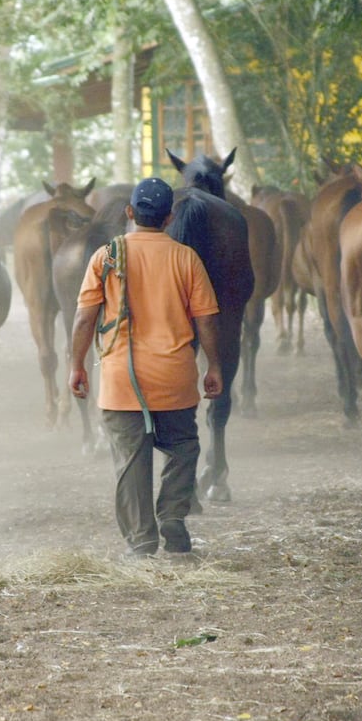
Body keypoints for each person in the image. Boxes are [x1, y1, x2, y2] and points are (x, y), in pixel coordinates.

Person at [68, 177, 222, 557]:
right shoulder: (186, 258)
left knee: (131, 462)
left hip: (121, 382)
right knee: (184, 448)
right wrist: (213, 366)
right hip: (176, 379)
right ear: (169, 218)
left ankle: (141, 541)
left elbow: (84, 320)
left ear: (130, 213)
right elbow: (206, 322)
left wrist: (77, 366)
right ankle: (172, 515)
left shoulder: (107, 257)